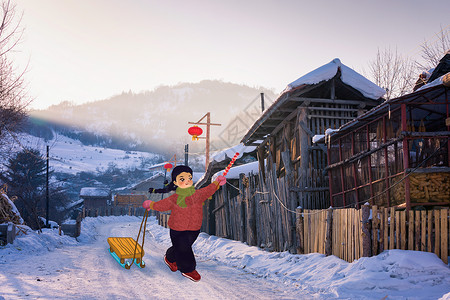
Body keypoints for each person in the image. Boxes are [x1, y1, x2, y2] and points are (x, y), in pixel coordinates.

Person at [142, 165, 226, 282]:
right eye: (182, 179)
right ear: (175, 182)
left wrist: (217, 183)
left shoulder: (197, 194)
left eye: (189, 178)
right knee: (184, 248)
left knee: (182, 247)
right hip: (177, 229)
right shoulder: (175, 198)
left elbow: (208, 190)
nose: (187, 181)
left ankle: (170, 258)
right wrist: (150, 204)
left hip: (194, 228)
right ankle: (188, 269)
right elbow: (162, 205)